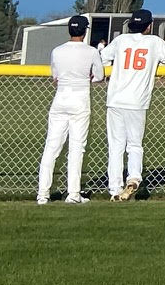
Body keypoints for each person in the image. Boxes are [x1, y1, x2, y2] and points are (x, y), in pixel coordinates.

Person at [100, 9, 165, 201]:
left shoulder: (121, 40)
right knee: (135, 144)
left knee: (116, 146)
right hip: (137, 101)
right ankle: (134, 177)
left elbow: (102, 58)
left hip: (115, 99)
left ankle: (114, 188)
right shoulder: (154, 42)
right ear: (149, 26)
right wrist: (155, 63)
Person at [37, 15, 100, 204]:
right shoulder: (91, 51)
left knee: (51, 147)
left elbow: (55, 76)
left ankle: (43, 194)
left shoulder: (57, 51)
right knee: (76, 148)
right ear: (85, 32)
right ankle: (73, 194)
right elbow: (99, 76)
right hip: (80, 100)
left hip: (60, 99)